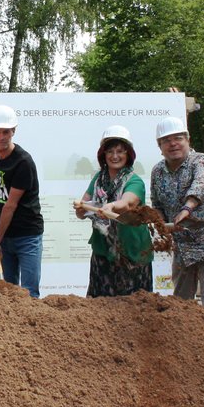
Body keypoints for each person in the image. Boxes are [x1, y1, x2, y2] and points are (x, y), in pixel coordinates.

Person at [148, 117, 204, 306]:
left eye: (178, 138)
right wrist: (162, 225)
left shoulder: (201, 160)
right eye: (166, 140)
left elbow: (201, 184)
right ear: (160, 146)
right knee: (181, 302)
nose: (173, 144)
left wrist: (187, 208)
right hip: (182, 244)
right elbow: (157, 204)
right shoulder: (158, 171)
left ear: (187, 140)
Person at [74, 125, 153, 297]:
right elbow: (85, 204)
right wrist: (81, 210)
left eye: (120, 151)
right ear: (103, 154)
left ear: (128, 154)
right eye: (110, 151)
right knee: (100, 301)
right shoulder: (98, 179)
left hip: (131, 251)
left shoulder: (134, 181)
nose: (114, 156)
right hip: (103, 248)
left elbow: (128, 203)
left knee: (132, 304)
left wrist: (111, 206)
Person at [0, 104, 44, 297]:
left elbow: (10, 206)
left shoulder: (23, 162)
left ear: (13, 131)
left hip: (27, 234)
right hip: (6, 234)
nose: (1, 137)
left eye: (6, 132)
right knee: (8, 292)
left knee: (29, 293)